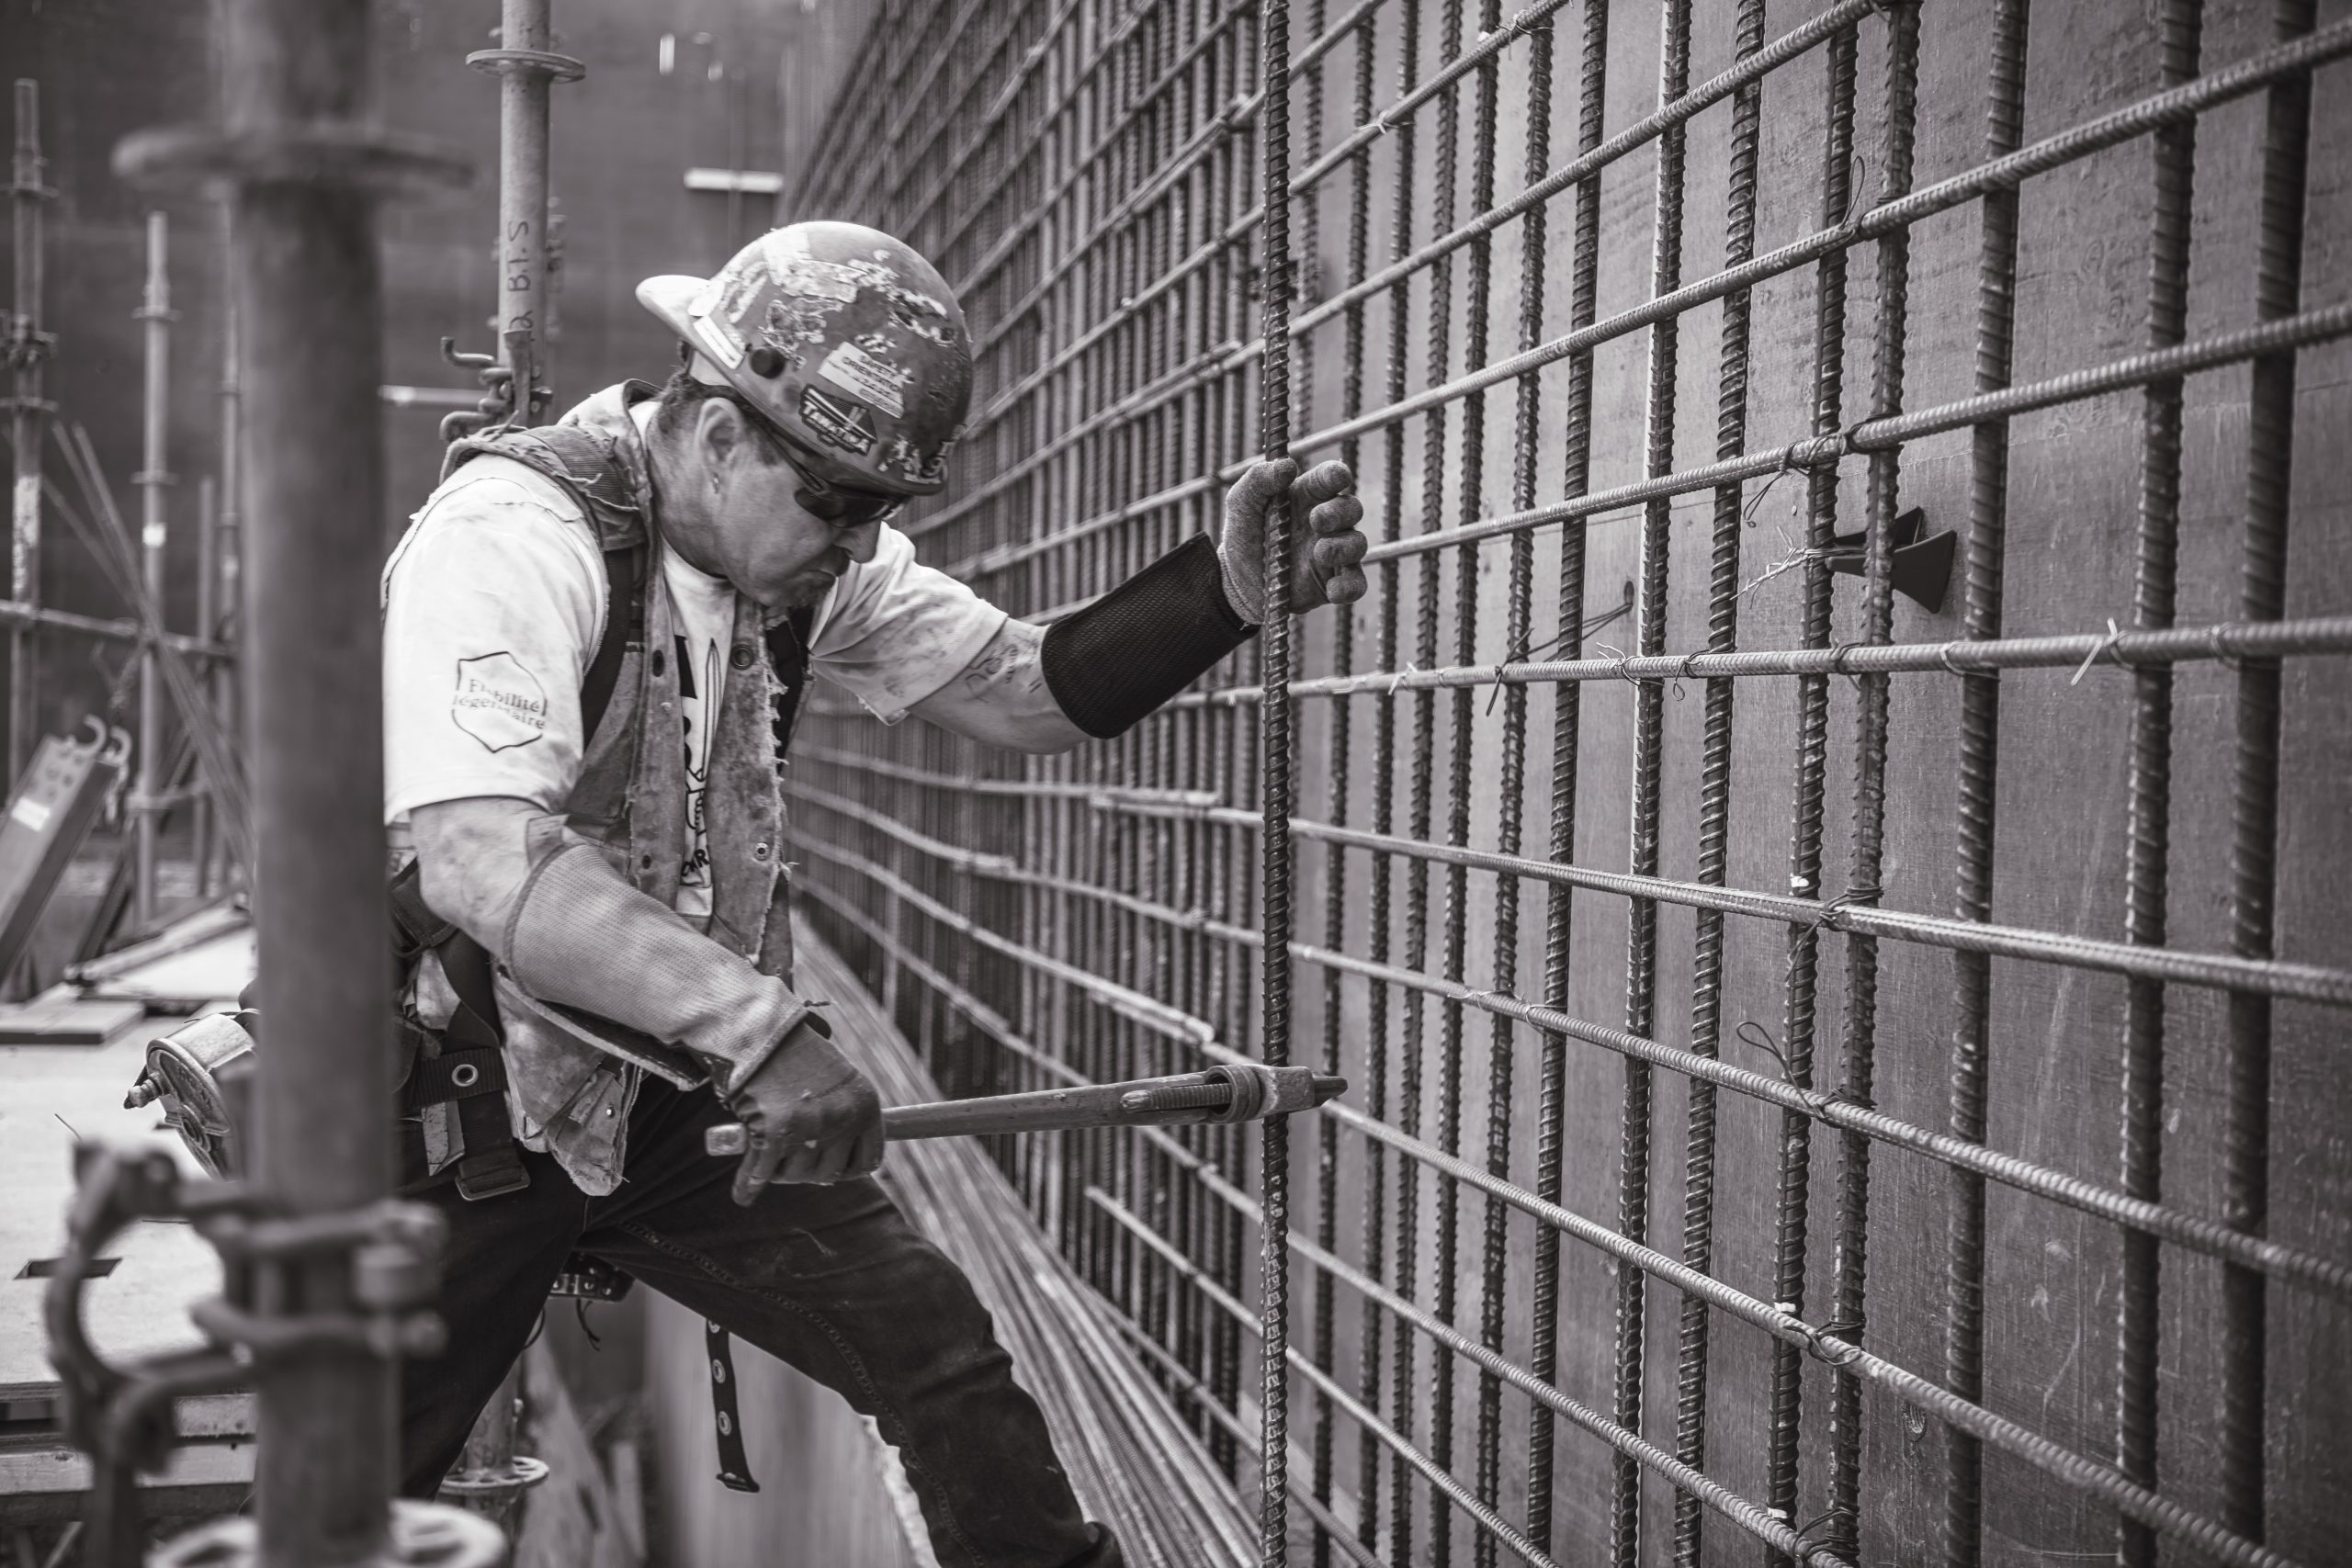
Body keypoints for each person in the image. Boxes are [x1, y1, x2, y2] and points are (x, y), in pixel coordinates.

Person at [379, 220, 1366, 1567]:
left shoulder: (785, 561)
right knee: (358, 1476)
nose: (858, 543)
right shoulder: (515, 537)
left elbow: (1018, 683)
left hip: (663, 1084)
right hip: (464, 1093)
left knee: (938, 1358)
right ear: (720, 433)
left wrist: (1224, 596)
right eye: (839, 504)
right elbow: (485, 856)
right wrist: (764, 1034)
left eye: (881, 512)